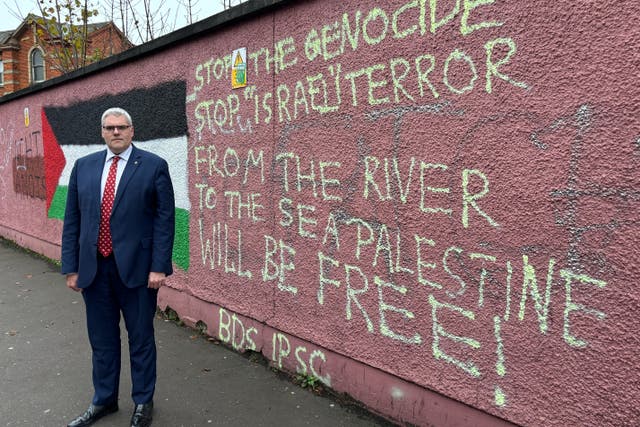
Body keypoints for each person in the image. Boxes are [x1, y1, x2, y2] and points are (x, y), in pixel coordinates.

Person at [61, 107, 175, 427]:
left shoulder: (153, 166)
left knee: (140, 338)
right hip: (94, 271)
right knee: (102, 339)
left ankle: (142, 402)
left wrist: (159, 267)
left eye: (121, 127)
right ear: (101, 132)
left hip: (138, 271)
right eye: (110, 128)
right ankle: (104, 400)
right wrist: (71, 267)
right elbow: (73, 220)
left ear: (131, 130)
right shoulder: (84, 167)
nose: (115, 132)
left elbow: (164, 221)